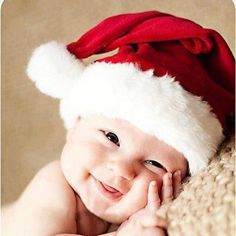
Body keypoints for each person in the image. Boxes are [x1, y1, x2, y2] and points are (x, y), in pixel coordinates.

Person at [2, 10, 234, 236]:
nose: (123, 169)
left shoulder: (132, 213)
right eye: (111, 137)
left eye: (154, 163)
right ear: (75, 126)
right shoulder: (54, 185)